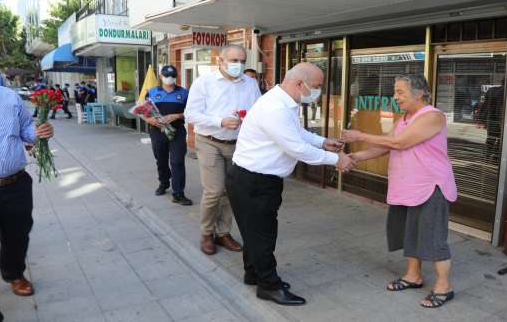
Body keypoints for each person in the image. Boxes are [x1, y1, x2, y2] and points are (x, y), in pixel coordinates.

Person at [226, 62, 353, 306]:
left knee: (255, 233)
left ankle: (254, 274)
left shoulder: (284, 101)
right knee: (263, 236)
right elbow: (296, 147)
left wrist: (322, 141)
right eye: (315, 86)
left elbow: (296, 133)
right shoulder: (275, 108)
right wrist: (336, 160)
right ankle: (269, 286)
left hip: (256, 179)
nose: (317, 91)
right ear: (299, 83)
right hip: (254, 181)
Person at [341, 74, 458, 309]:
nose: (395, 97)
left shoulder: (433, 116)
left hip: (430, 186)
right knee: (408, 233)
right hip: (406, 186)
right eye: (395, 92)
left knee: (433, 238)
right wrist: (356, 156)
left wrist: (360, 135)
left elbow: (400, 143)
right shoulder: (405, 118)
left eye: (400, 92)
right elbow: (386, 143)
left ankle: (444, 286)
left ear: (419, 93)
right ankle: (413, 275)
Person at [185, 45, 261, 255]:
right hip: (209, 141)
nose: (239, 65)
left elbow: (257, 112)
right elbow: (191, 114)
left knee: (231, 191)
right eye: (234, 60)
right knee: (214, 190)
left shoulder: (250, 83)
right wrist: (220, 121)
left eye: (242, 61)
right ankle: (206, 232)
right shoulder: (204, 83)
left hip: (238, 145)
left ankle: (223, 233)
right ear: (220, 60)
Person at [0, 85, 54, 297]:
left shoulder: (10, 97)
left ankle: (14, 274)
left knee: (17, 235)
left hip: (15, 184)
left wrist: (40, 132)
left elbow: (27, 131)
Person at [139, 65, 192, 206]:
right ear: (161, 76)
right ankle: (163, 183)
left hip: (177, 131)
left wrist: (177, 115)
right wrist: (150, 120)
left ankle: (178, 193)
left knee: (177, 161)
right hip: (158, 131)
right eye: (166, 75)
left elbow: (192, 112)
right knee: (161, 159)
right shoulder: (152, 92)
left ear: (177, 76)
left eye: (173, 75)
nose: (170, 78)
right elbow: (143, 110)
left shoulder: (185, 93)